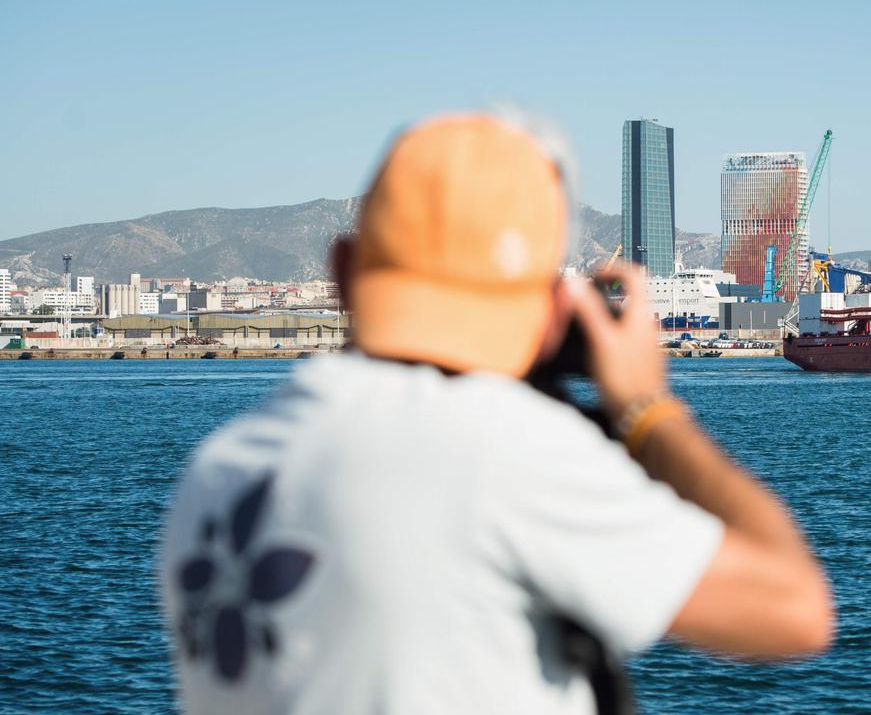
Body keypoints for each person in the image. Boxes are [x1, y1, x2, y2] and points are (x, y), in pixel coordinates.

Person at [159, 113, 833, 713]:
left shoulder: (218, 473)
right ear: (553, 308)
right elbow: (795, 611)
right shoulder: (506, 455)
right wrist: (646, 411)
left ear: (341, 272)